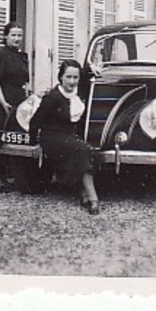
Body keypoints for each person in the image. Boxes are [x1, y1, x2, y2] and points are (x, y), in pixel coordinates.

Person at [32, 58, 100, 215]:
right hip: (51, 137)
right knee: (81, 151)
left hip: (69, 137)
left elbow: (89, 73)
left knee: (90, 151)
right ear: (61, 77)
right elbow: (35, 121)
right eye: (68, 77)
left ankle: (83, 193)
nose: (72, 81)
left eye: (75, 77)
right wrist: (35, 144)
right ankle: (93, 198)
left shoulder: (78, 93)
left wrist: (92, 69)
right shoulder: (53, 97)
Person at [0, 22, 32, 192]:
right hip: (2, 100)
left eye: (19, 35)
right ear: (5, 36)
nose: (17, 39)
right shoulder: (0, 55)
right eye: (13, 35)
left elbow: (25, 81)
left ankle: (10, 175)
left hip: (19, 101)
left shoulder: (22, 56)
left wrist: (27, 100)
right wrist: (3, 102)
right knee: (0, 137)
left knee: (16, 136)